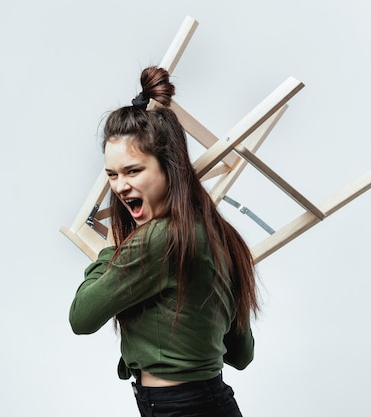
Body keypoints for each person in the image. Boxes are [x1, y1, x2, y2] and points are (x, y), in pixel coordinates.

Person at [69, 66, 259, 417]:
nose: (119, 186)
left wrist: (111, 247)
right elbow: (240, 353)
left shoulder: (159, 239)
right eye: (112, 174)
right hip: (209, 402)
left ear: (168, 166)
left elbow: (81, 317)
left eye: (133, 171)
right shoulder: (219, 233)